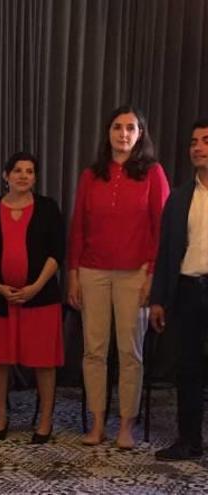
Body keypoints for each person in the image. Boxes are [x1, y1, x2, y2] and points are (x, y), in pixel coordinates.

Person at [68, 105, 169, 448]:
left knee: (130, 352)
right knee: (94, 351)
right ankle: (97, 424)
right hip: (92, 271)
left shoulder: (153, 174)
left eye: (130, 128)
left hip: (135, 273)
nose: (123, 134)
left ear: (140, 134)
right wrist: (73, 274)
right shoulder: (90, 175)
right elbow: (78, 228)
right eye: (116, 127)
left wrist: (152, 275)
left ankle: (126, 425)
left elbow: (161, 229)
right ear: (108, 133)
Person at [0, 152, 65, 444]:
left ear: (35, 177)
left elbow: (57, 252)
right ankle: (1, 415)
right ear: (5, 175)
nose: (23, 176)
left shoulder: (48, 208)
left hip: (40, 298)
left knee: (43, 362)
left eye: (29, 171)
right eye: (17, 170)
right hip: (0, 299)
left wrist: (36, 286)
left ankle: (45, 419)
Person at [150, 118, 208, 461]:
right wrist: (159, 299)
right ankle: (189, 440)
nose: (198, 147)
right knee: (188, 368)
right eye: (194, 142)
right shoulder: (179, 197)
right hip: (187, 289)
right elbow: (167, 251)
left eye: (205, 140)